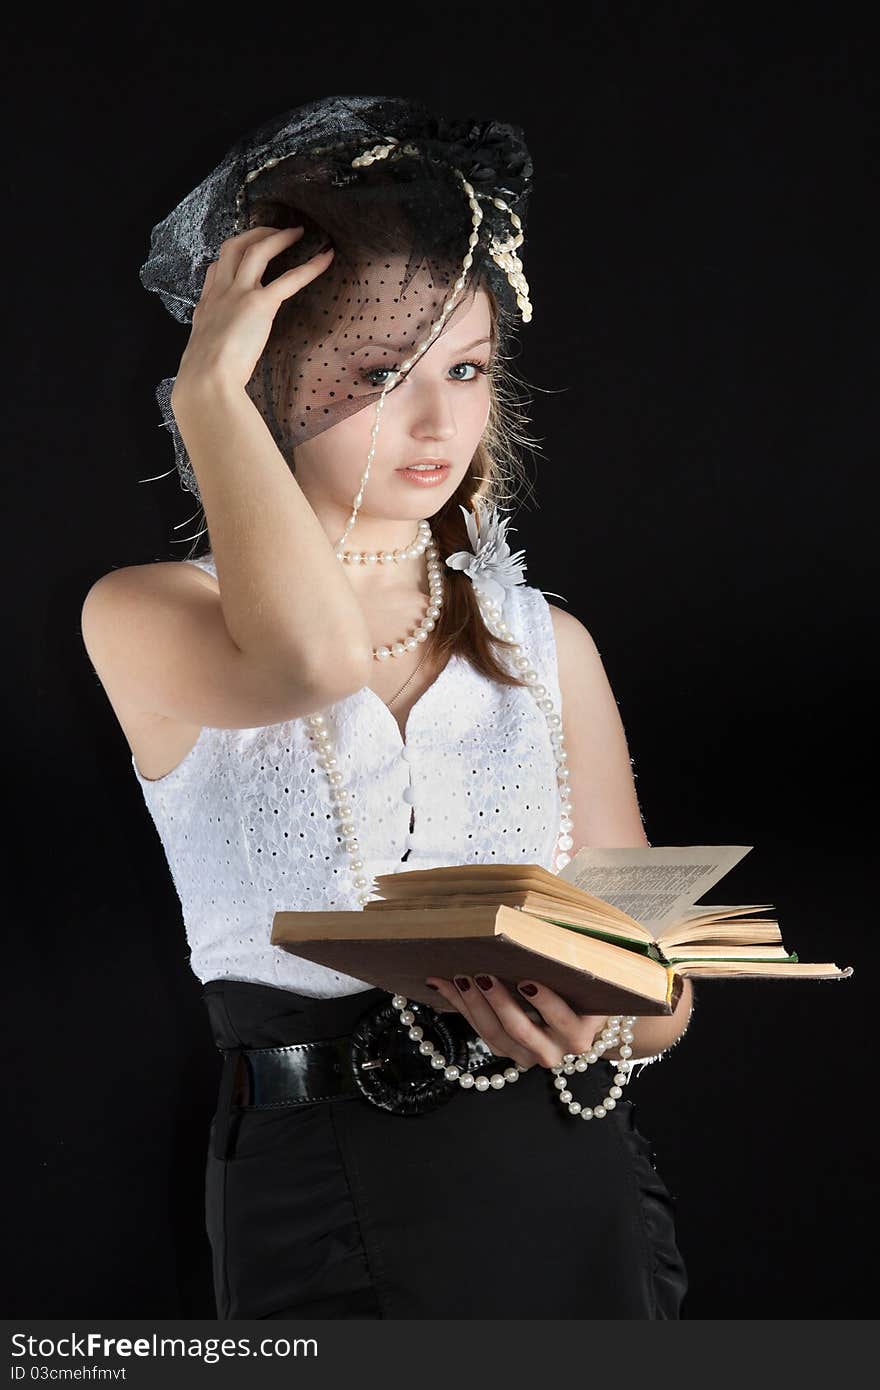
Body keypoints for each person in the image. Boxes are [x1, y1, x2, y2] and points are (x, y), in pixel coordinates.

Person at [81, 95, 692, 1319]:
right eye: (379, 373)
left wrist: (601, 1016)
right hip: (320, 1180)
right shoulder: (143, 612)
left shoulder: (546, 640)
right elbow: (306, 662)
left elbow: (659, 971)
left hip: (570, 1182)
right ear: (263, 378)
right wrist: (205, 400)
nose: (436, 420)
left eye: (465, 369)